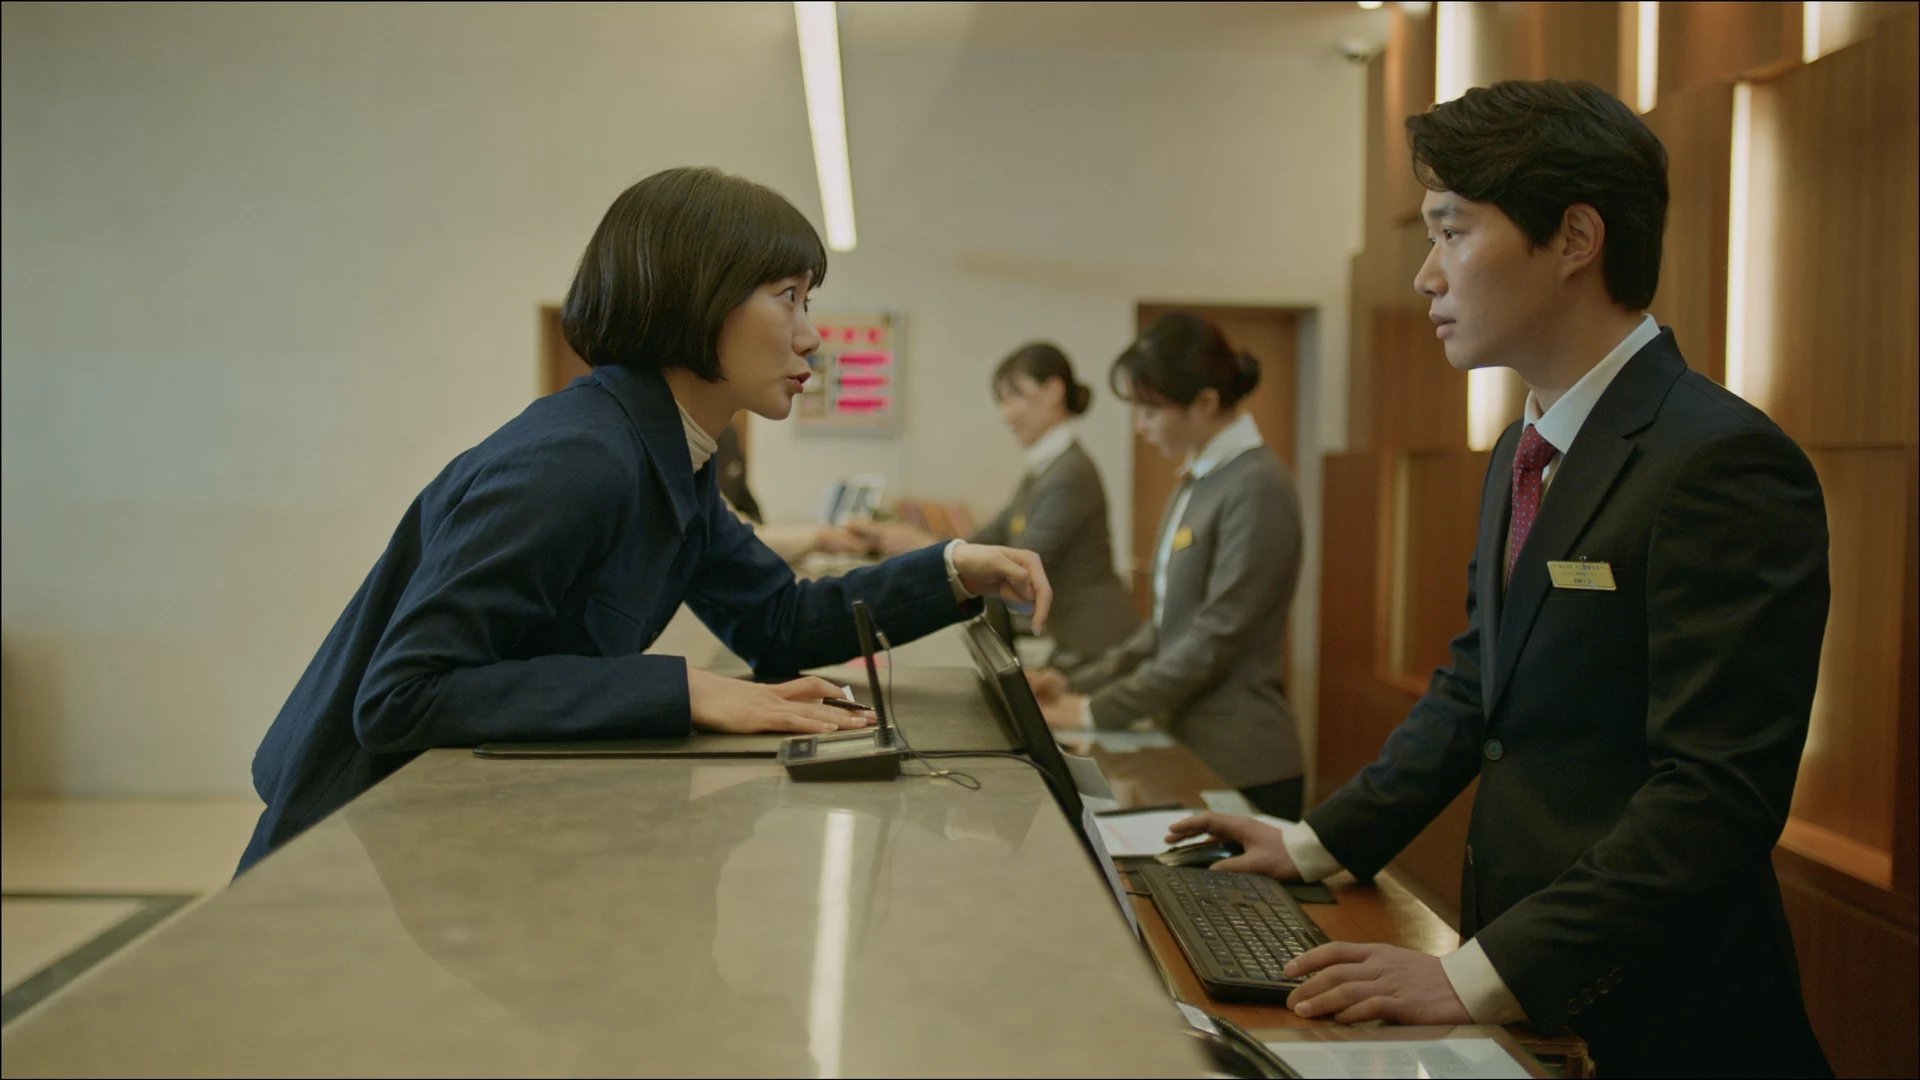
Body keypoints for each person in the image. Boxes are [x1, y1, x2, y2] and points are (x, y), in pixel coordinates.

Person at [1167, 80, 1832, 1078]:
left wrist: (1478, 975)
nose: (1427, 274)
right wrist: (1315, 843)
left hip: (1665, 1017)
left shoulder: (1721, 461)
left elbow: (1714, 797)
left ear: (1575, 238)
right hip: (1533, 1005)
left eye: (1453, 231)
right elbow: (1479, 685)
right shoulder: (1525, 450)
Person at [238, 166, 1051, 875]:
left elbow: (780, 622)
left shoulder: (672, 454)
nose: (811, 336)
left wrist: (953, 569)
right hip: (347, 859)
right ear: (698, 300)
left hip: (447, 839)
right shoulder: (578, 459)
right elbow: (403, 695)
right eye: (789, 298)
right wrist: (683, 690)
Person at [1029, 313, 1307, 819]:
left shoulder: (1258, 486)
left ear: (1205, 403)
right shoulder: (1201, 478)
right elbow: (1163, 630)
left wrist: (1094, 710)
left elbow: (1215, 638)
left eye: (1151, 410)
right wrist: (1074, 681)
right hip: (1188, 747)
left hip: (1242, 760)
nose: (1141, 427)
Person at [854, 343, 1140, 668]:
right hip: (1076, 644)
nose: (1007, 415)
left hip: (1100, 646)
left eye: (1015, 396)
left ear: (1053, 391)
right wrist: (910, 540)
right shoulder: (1042, 473)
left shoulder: (1070, 473)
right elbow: (984, 542)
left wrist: (922, 545)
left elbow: (1021, 566)